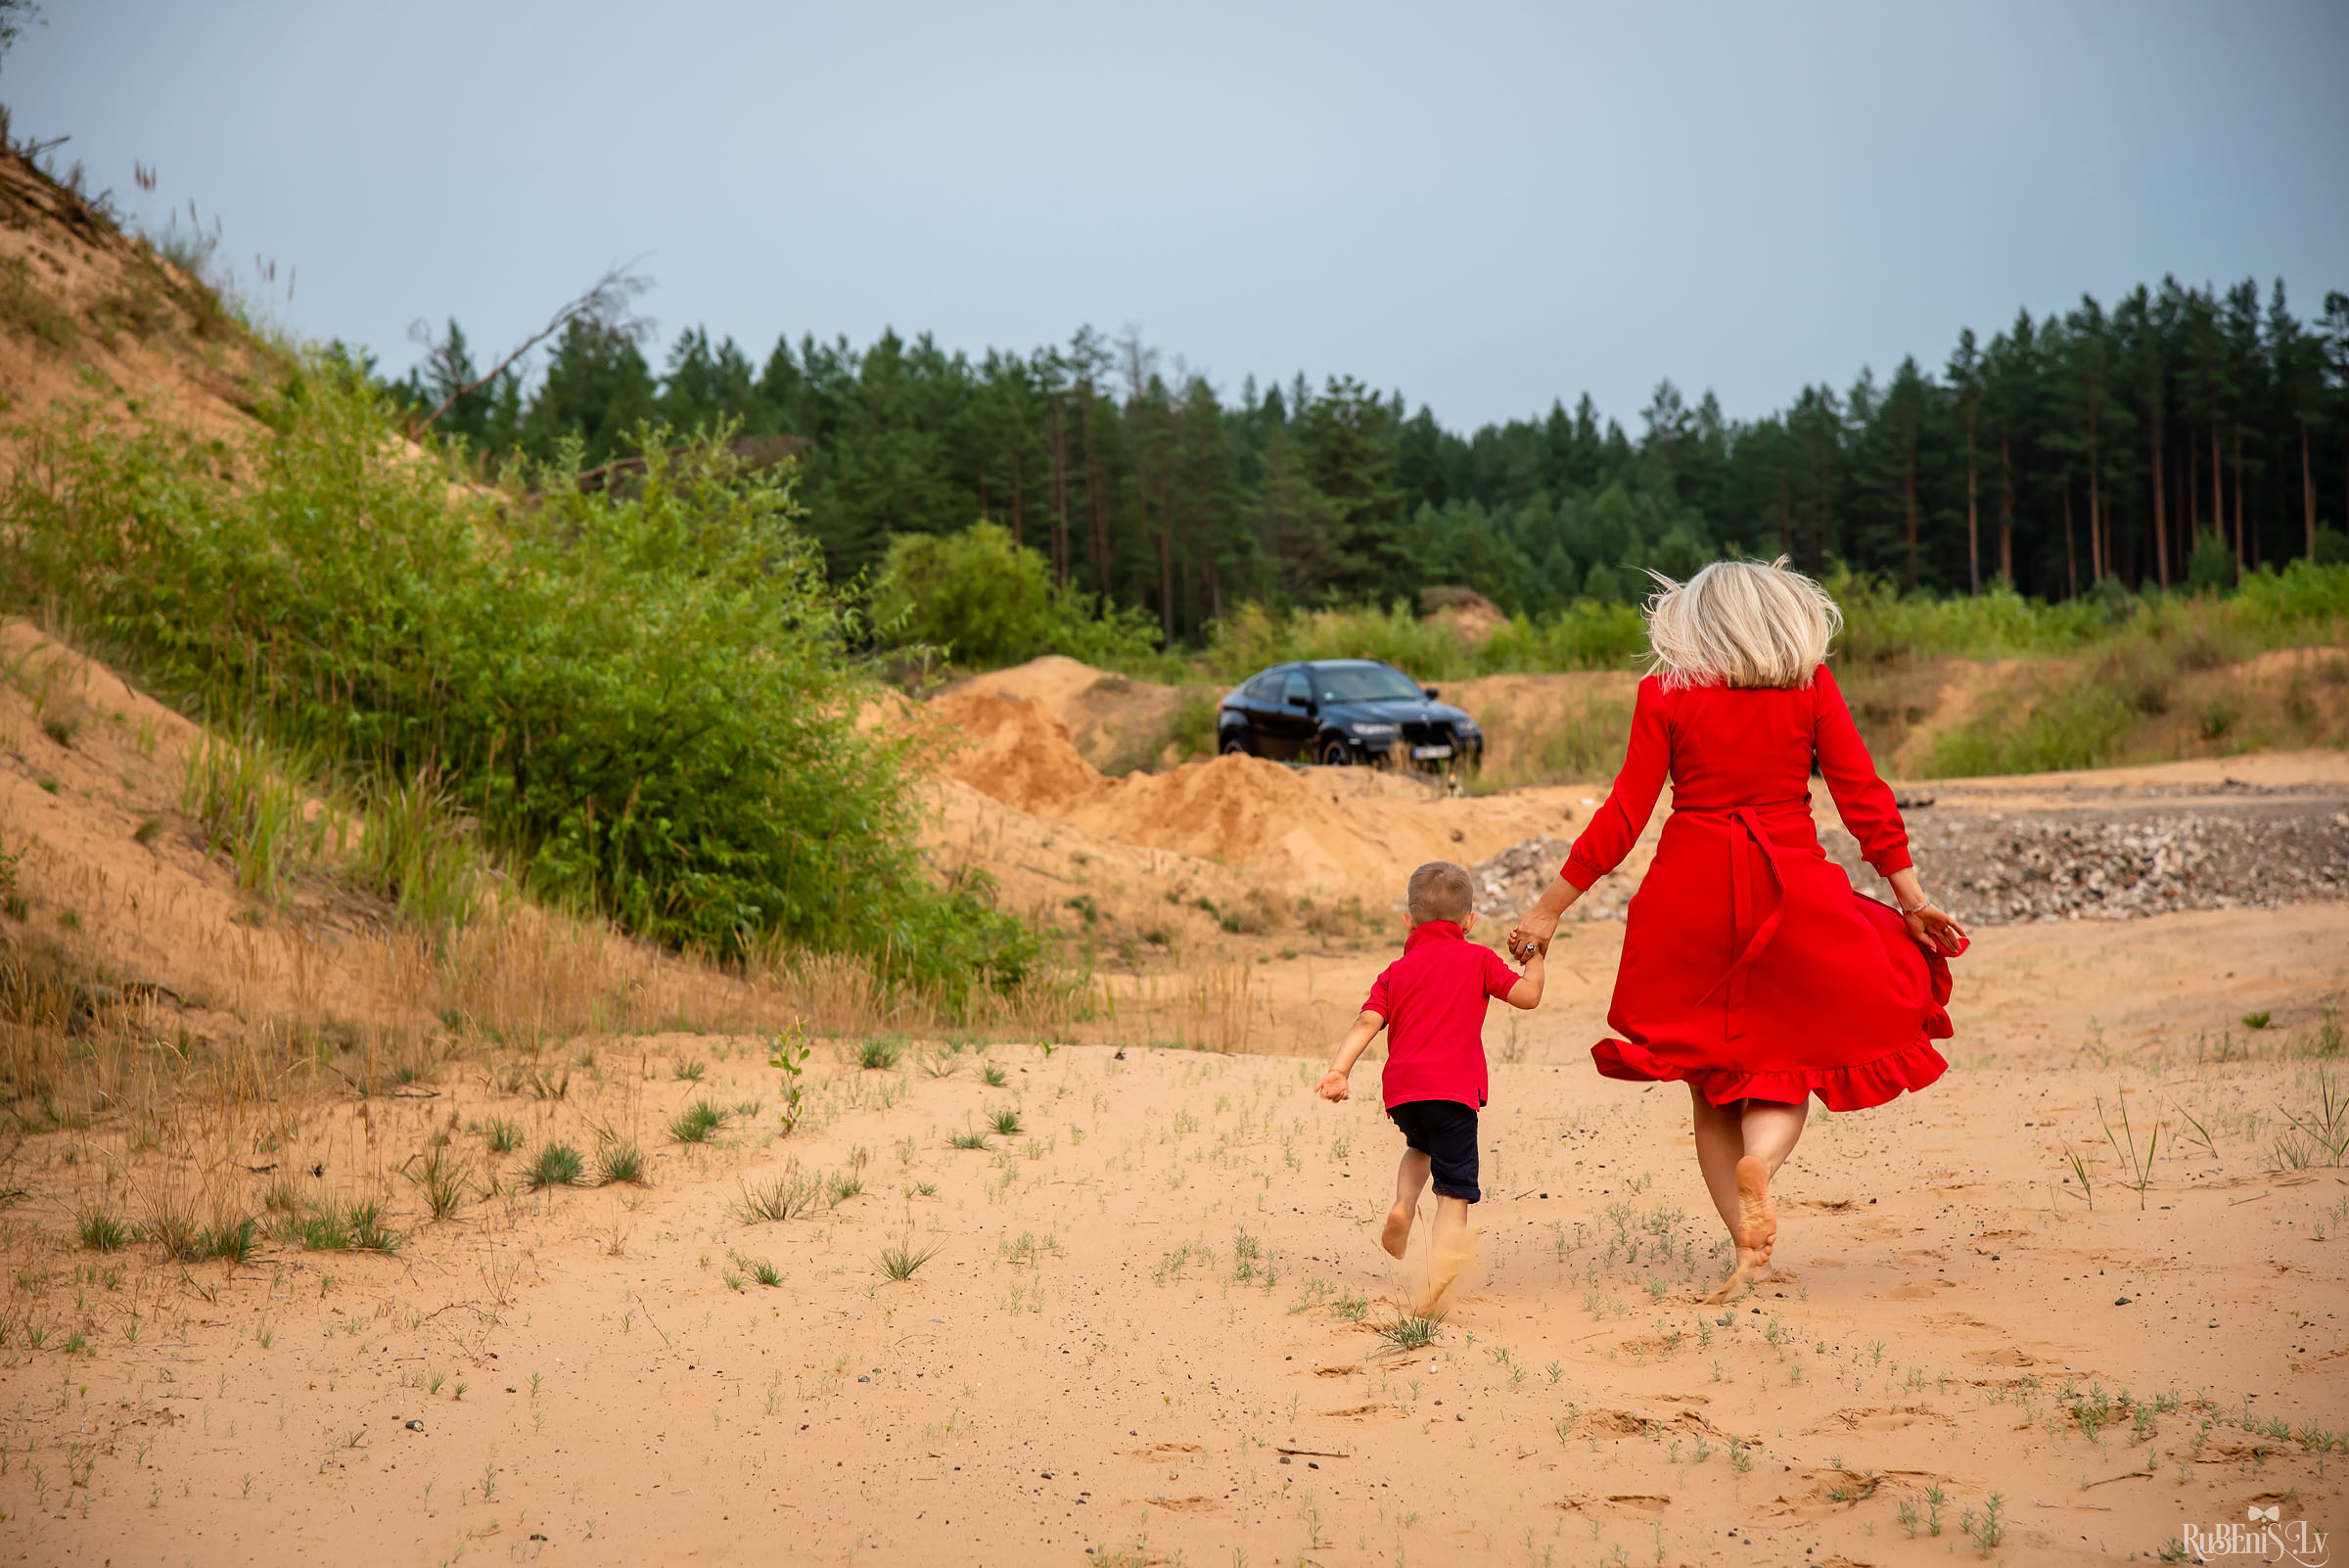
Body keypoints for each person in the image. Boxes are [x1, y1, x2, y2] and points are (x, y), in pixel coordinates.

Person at [1507, 559, 1966, 1303]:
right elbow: (1863, 797)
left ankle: (1744, 1242)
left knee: (1709, 1078)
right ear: (1779, 615)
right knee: (1787, 1062)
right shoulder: (1809, 688)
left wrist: (1550, 908)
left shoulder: (1664, 694)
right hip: (1790, 885)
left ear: (1696, 622)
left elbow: (1624, 815)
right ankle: (1765, 1164)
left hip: (1688, 894)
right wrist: (1909, 897)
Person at [1317, 860, 1543, 1314]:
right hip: (1454, 1093)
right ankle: (1439, 1278)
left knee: (1419, 1149)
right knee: (1454, 1191)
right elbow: (1528, 996)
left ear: (1408, 920)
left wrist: (1340, 1069)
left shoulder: (1395, 971)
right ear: (1470, 921)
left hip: (1405, 1094)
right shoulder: (1478, 958)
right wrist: (1535, 956)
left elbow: (1368, 1021)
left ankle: (1403, 1204)